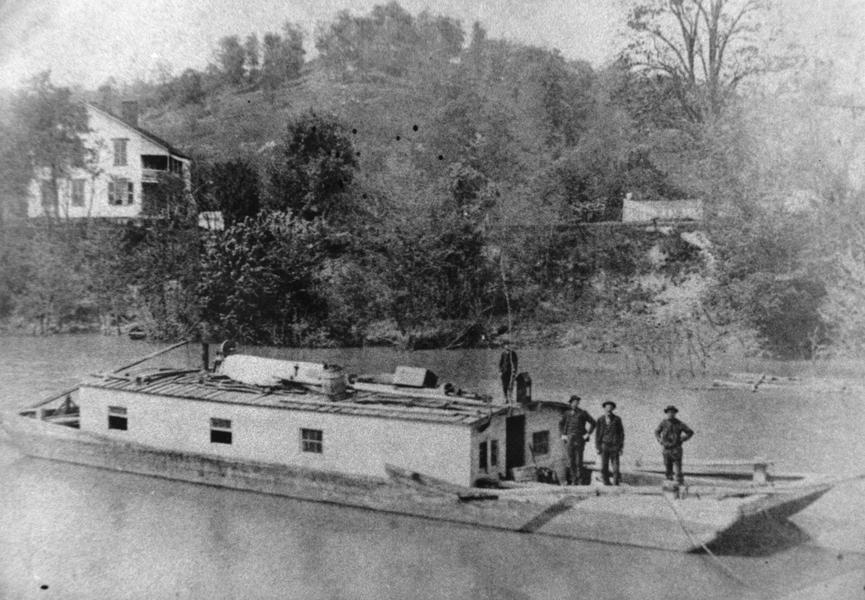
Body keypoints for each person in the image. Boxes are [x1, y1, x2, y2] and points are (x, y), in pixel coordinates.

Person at [559, 395, 596, 485]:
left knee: (579, 461)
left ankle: (580, 481)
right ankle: (573, 480)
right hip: (569, 439)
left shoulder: (582, 413)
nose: (575, 404)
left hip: (579, 439)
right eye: (573, 402)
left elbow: (593, 423)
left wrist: (587, 434)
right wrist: (563, 434)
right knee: (571, 461)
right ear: (570, 403)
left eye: (577, 402)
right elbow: (561, 424)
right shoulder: (566, 413)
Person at [654, 405, 694, 485]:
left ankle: (679, 486)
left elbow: (690, 432)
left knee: (678, 471)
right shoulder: (663, 423)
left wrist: (683, 438)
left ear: (675, 413)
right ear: (667, 413)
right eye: (669, 412)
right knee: (668, 470)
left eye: (672, 412)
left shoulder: (679, 423)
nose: (671, 414)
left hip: (676, 449)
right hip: (666, 449)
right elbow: (656, 432)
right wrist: (659, 439)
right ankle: (670, 487)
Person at [595, 401, 624, 486]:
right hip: (604, 445)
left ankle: (616, 483)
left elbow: (621, 434)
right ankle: (606, 482)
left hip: (614, 446)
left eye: (611, 407)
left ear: (613, 409)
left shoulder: (617, 419)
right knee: (604, 466)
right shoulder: (600, 419)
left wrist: (620, 447)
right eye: (607, 407)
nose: (609, 409)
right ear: (604, 408)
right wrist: (598, 447)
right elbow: (597, 434)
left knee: (615, 466)